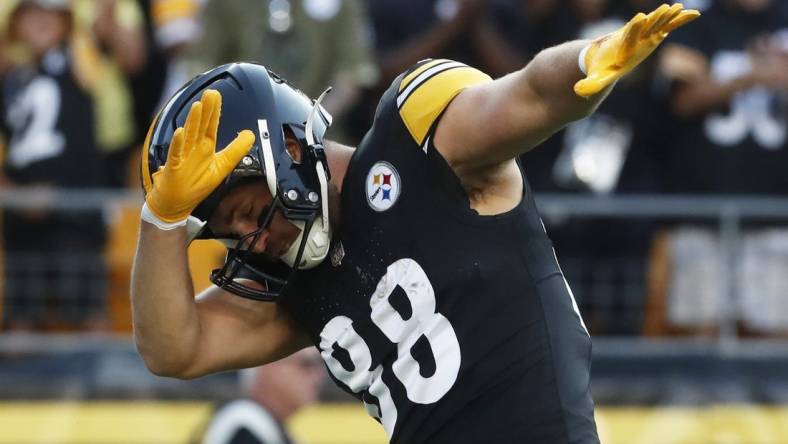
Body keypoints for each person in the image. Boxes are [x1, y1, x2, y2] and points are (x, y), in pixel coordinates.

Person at [131, 4, 699, 443]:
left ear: (286, 148)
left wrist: (584, 63)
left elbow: (526, 95)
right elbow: (172, 350)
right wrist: (161, 218)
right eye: (236, 233)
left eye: (252, 214)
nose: (255, 241)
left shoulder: (414, 138)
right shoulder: (296, 284)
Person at [0, 0, 108, 331]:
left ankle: (104, 380)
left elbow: (103, 30)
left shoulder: (80, 61)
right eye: (31, 13)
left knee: (87, 310)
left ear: (65, 23)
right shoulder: (13, 78)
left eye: (50, 14)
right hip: (22, 217)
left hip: (73, 211)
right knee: (21, 316)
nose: (40, 21)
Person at [199, 348, 326, 444]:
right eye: (306, 364)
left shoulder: (262, 425)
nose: (318, 375)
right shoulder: (245, 423)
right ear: (268, 364)